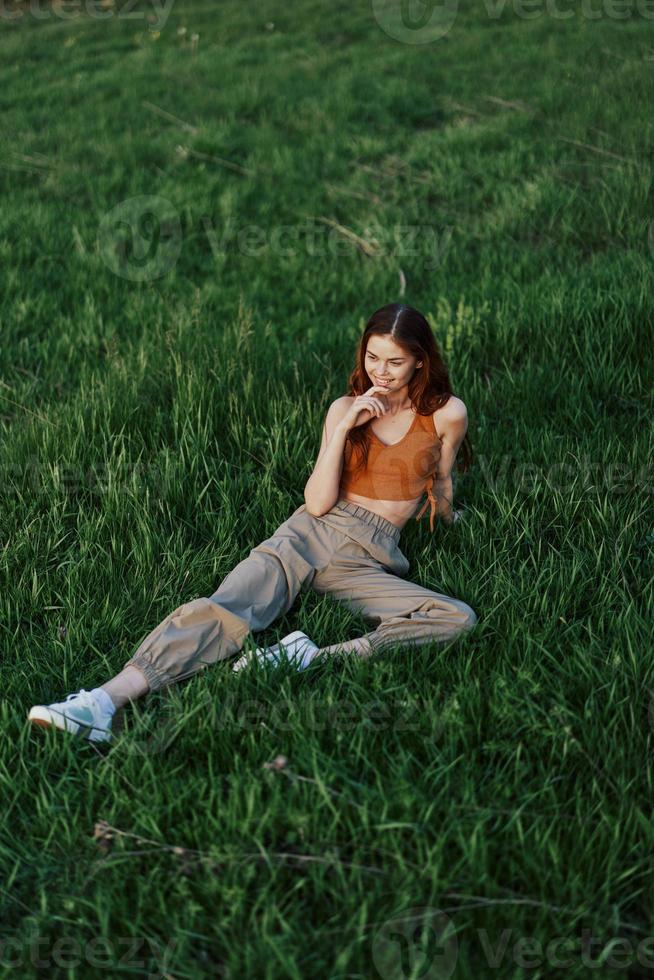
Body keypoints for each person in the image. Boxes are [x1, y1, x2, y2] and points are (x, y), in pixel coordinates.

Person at [28, 303, 478, 744]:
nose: (380, 371)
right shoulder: (344, 408)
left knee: (456, 617)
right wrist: (343, 429)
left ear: (420, 360)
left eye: (395, 362)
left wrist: (447, 515)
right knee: (226, 606)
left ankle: (308, 657)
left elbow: (441, 476)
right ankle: (101, 703)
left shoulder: (445, 413)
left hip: (367, 559)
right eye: (372, 357)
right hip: (307, 534)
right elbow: (317, 503)